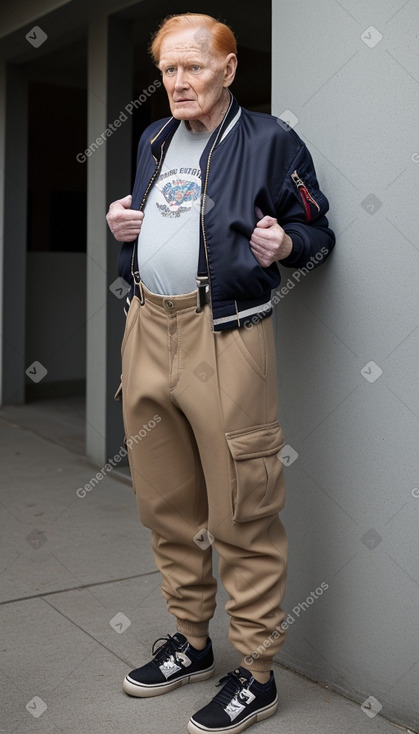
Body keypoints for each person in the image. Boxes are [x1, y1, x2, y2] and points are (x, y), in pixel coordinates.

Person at [106, 12, 335, 734]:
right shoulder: (152, 138)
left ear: (228, 69)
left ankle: (258, 675)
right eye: (168, 69)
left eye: (192, 67)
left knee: (241, 508)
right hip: (146, 326)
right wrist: (123, 235)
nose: (177, 81)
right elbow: (151, 225)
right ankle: (193, 644)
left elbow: (317, 231)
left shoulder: (270, 140)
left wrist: (284, 243)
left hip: (225, 333)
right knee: (165, 503)